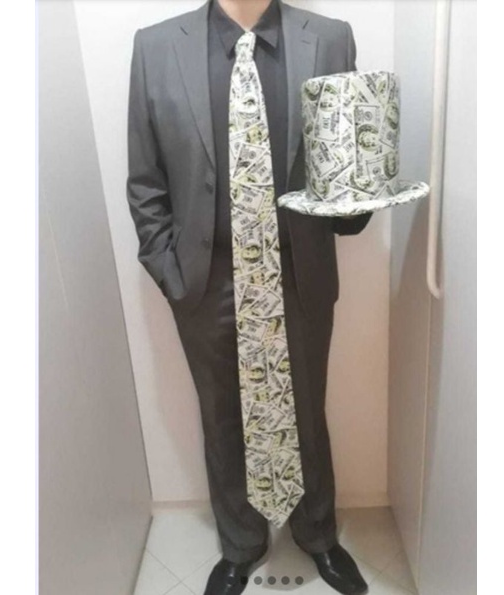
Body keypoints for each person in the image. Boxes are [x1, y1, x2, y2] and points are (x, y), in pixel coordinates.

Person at [126, 1, 373, 593]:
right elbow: (146, 180)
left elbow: (348, 161)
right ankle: (241, 543)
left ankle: (318, 534)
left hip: (298, 273)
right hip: (204, 280)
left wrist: (359, 195)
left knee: (306, 409)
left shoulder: (330, 39)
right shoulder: (155, 47)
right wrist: (170, 272)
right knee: (221, 416)